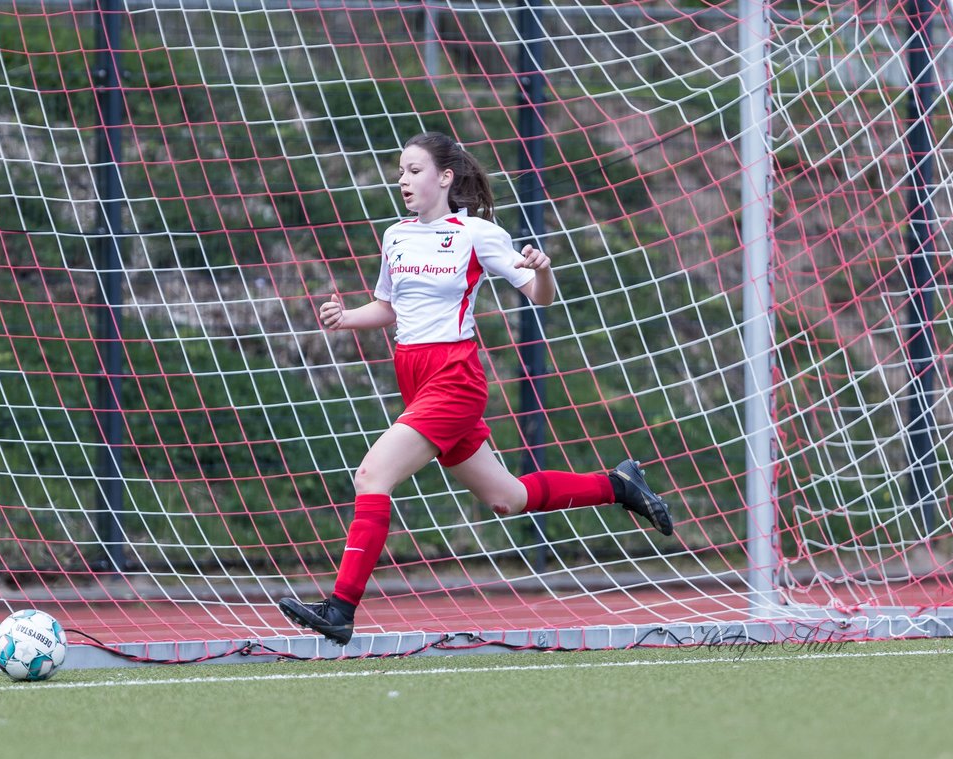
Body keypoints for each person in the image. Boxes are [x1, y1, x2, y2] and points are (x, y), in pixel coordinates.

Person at [278, 131, 674, 645]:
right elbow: (393, 307)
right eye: (400, 171)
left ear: (444, 177)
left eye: (414, 171)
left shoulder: (476, 234)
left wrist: (544, 271)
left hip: (454, 379)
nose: (403, 180)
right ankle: (618, 485)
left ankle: (340, 610)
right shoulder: (395, 236)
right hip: (414, 377)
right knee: (506, 497)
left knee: (372, 475)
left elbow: (538, 295)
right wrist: (347, 317)